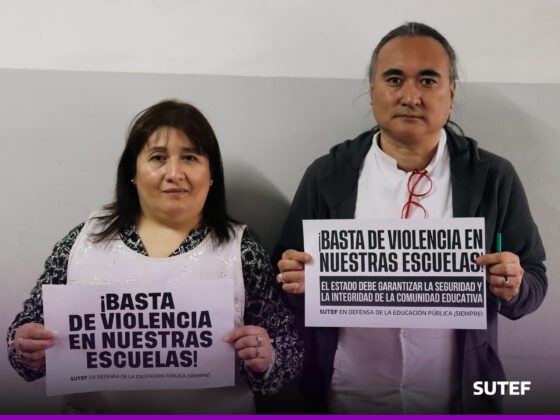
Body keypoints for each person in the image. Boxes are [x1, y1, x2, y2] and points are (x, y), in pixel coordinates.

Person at [274, 22, 547, 414]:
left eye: (428, 81)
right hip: (347, 394)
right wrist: (293, 282)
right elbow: (283, 278)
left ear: (451, 94)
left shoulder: (493, 178)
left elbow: (534, 279)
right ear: (372, 91)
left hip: (455, 399)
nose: (410, 96)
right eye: (394, 79)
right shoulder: (327, 175)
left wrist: (514, 286)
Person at [7, 99, 303, 414]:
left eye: (190, 157)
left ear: (211, 174)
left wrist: (266, 358)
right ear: (132, 172)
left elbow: (288, 353)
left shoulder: (242, 251)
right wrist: (27, 348)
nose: (174, 173)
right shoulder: (82, 242)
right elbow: (24, 337)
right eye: (158, 157)